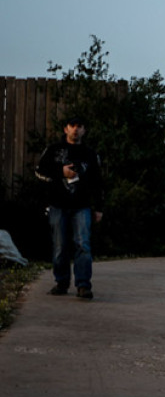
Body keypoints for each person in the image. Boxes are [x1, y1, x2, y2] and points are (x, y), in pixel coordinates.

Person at [36, 116, 103, 299]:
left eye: (79, 126)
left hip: (82, 206)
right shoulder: (54, 150)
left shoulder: (90, 154)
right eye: (72, 126)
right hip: (58, 205)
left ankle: (83, 285)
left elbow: (98, 182)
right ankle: (61, 282)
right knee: (60, 245)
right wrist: (61, 173)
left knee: (83, 244)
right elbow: (39, 171)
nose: (75, 129)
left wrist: (99, 207)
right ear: (66, 129)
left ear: (84, 130)